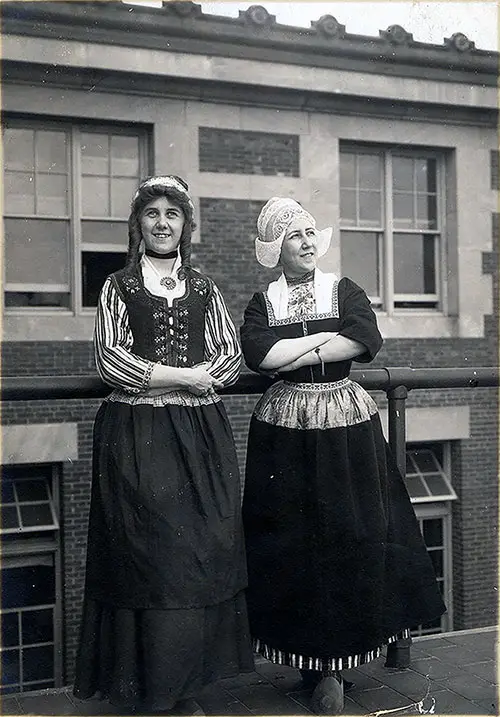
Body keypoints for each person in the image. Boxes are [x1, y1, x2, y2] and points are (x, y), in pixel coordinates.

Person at [240, 197, 446, 715]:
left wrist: (301, 349)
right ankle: (308, 664)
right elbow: (259, 354)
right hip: (285, 424)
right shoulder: (263, 302)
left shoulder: (343, 289)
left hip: (344, 418)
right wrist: (325, 340)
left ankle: (338, 664)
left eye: (311, 232)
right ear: (276, 248)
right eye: (295, 236)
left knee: (350, 529)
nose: (307, 242)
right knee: (290, 534)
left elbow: (364, 337)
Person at [74, 175, 254, 715]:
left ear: (184, 226)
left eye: (171, 215)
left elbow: (228, 358)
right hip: (138, 435)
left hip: (199, 437)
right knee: (150, 553)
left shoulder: (204, 288)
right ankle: (151, 688)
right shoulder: (119, 286)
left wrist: (201, 378)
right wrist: (183, 377)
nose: (161, 223)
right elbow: (111, 360)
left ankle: (187, 688)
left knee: (199, 552)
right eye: (151, 214)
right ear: (138, 225)